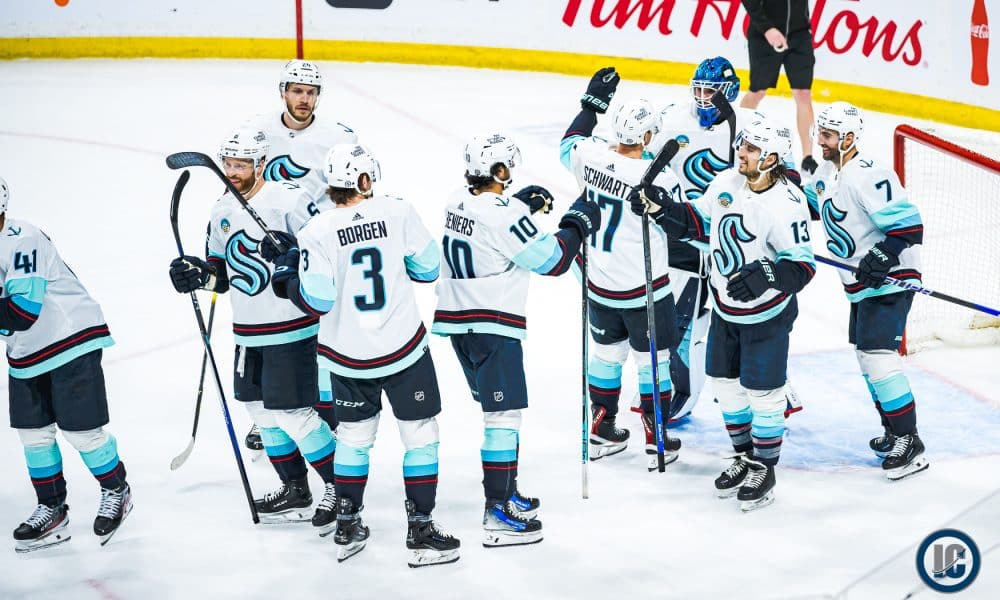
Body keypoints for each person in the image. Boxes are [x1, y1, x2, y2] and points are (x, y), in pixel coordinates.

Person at [265, 143, 460, 567]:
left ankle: (348, 523)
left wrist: (287, 273)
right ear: (366, 179)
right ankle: (421, 529)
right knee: (420, 436)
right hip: (404, 350)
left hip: (347, 357)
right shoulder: (398, 211)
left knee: (354, 440)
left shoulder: (316, 230)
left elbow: (316, 300)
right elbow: (429, 269)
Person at [630, 115, 815, 511]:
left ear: (771, 158)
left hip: (767, 315)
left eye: (750, 148)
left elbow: (802, 268)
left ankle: (764, 467)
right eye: (742, 144)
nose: (740, 152)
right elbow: (697, 223)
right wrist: (663, 209)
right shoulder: (725, 183)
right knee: (725, 386)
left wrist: (768, 274)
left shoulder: (789, 204)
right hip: (725, 309)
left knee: (764, 394)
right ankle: (744, 456)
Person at [432, 133, 600, 546]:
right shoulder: (504, 215)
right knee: (503, 418)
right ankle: (497, 509)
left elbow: (491, 225)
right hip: (493, 325)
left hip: (458, 322)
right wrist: (576, 225)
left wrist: (521, 205)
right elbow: (553, 260)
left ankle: (507, 492)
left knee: (499, 414)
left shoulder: (456, 199)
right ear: (500, 170)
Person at [167, 128, 338, 530]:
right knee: (261, 413)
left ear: (260, 164)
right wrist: (197, 275)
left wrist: (292, 254)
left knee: (294, 415)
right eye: (228, 164)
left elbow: (325, 255)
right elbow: (220, 276)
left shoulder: (289, 200)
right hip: (248, 331)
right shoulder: (220, 210)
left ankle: (340, 487)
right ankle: (295, 489)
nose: (233, 172)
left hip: (293, 328)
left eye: (241, 165)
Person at [647, 56, 803, 423]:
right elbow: (645, 164)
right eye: (699, 90)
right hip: (688, 232)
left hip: (737, 238)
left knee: (750, 320)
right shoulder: (672, 120)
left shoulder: (754, 127)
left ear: (729, 92)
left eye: (711, 91)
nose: (703, 98)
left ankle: (778, 388)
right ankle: (684, 391)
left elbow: (789, 180)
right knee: (684, 320)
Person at [560, 67, 684, 470]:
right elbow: (680, 224)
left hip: (599, 283)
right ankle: (656, 431)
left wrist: (591, 105)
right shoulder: (659, 177)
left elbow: (569, 142)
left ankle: (601, 426)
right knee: (653, 361)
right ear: (646, 137)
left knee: (606, 355)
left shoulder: (590, 157)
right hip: (644, 289)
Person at [1, 176, 133, 552]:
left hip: (69, 337)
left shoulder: (22, 239)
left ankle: (117, 490)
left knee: (82, 432)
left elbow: (22, 311)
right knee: (34, 435)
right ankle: (52, 509)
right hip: (26, 350)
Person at [243, 58, 359, 450]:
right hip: (269, 244)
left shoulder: (339, 137)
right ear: (283, 92)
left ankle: (327, 412)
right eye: (296, 91)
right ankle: (268, 415)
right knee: (269, 322)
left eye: (310, 92)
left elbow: (352, 191)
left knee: (321, 328)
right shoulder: (256, 130)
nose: (304, 99)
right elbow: (239, 180)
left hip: (320, 245)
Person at [810, 101, 928, 481]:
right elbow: (809, 207)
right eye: (820, 133)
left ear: (848, 138)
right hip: (860, 284)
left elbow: (910, 226)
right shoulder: (827, 173)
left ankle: (909, 441)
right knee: (867, 358)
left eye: (828, 135)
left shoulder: (869, 173)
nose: (821, 140)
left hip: (891, 279)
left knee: (878, 356)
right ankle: (893, 431)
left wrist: (882, 254)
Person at [740, 0, 818, 174]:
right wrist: (767, 28)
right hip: (764, 35)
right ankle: (738, 139)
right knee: (757, 92)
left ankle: (808, 156)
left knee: (803, 94)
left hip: (799, 34)